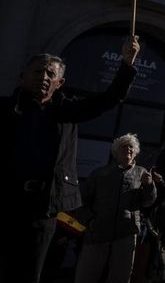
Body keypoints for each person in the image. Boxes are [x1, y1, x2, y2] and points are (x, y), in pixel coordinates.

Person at [5, 36, 140, 283]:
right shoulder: (7, 109)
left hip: (45, 209)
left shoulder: (66, 111)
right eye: (37, 71)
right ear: (22, 76)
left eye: (50, 74)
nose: (43, 77)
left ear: (60, 83)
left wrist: (127, 64)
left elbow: (109, 99)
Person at [75, 133, 157, 283]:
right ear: (115, 152)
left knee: (120, 277)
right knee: (87, 275)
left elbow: (148, 202)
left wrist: (149, 185)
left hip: (126, 234)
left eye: (131, 147)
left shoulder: (142, 173)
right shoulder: (100, 173)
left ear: (136, 152)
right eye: (124, 146)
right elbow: (82, 201)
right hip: (98, 232)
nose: (129, 149)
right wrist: (91, 221)